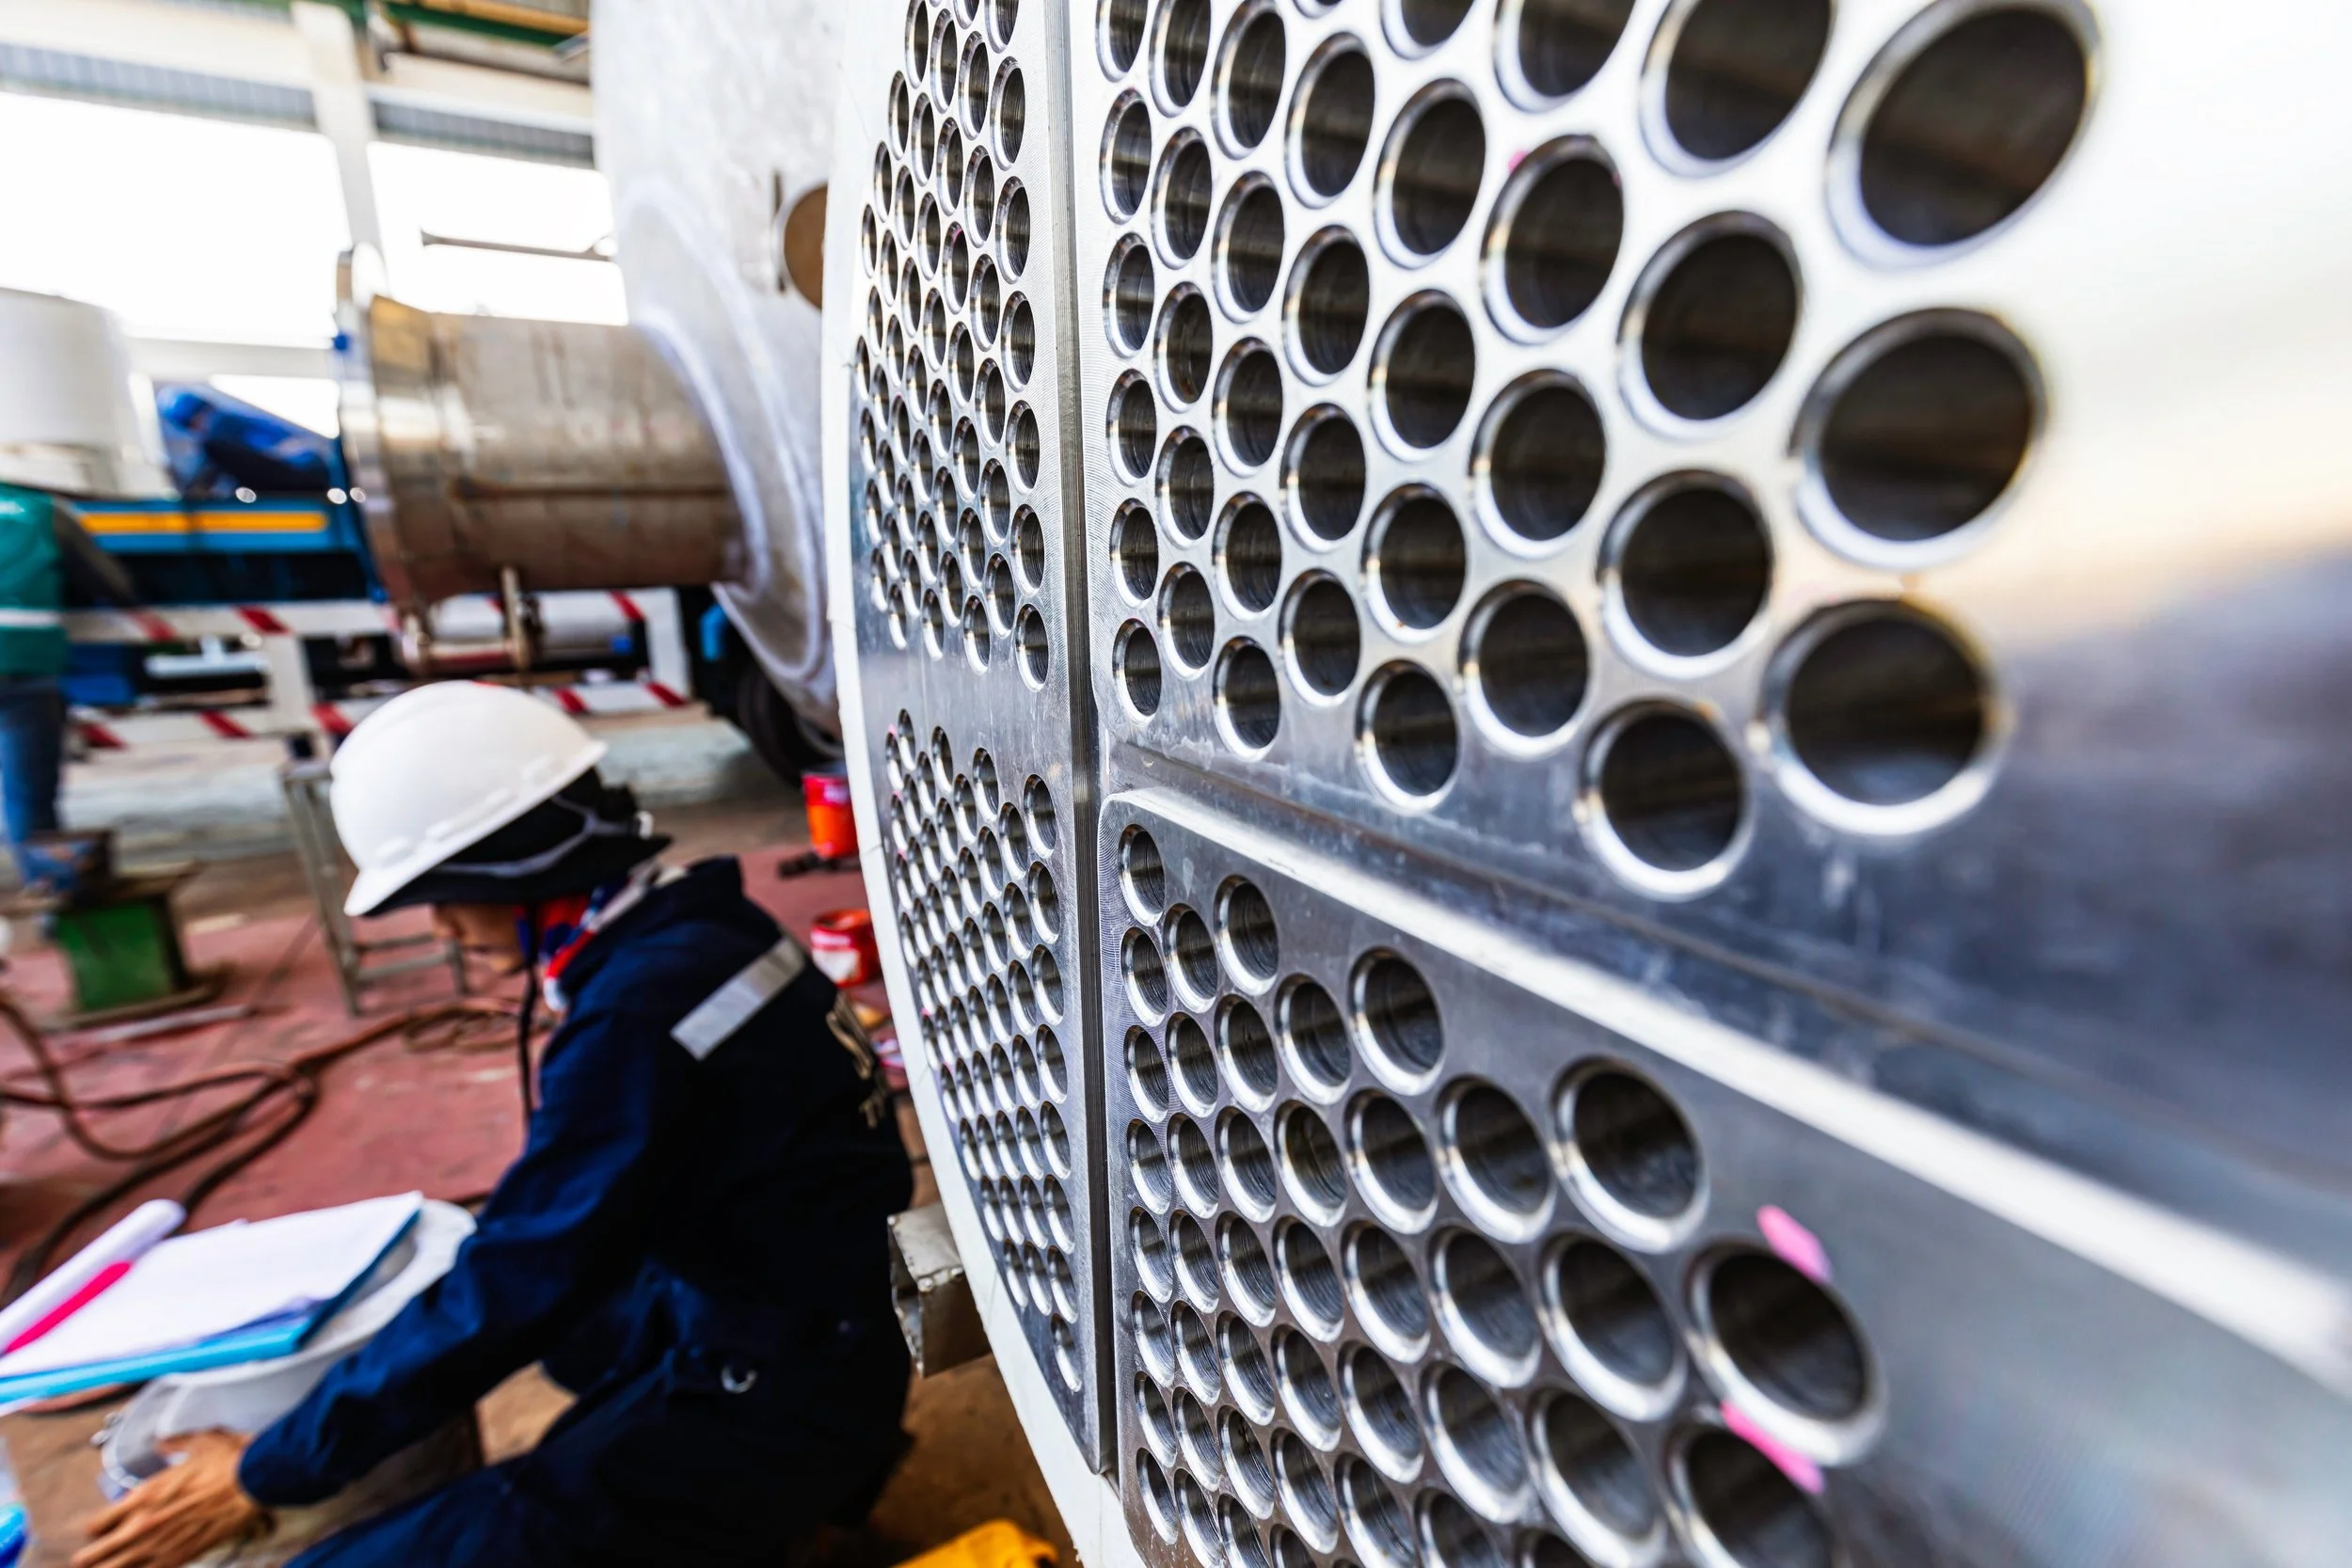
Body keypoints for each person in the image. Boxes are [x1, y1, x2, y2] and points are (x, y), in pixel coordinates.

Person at [73, 681, 915, 1568]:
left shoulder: (633, 1017)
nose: (442, 923)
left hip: (785, 1390)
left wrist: (264, 1472)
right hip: (823, 1327)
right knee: (545, 1330)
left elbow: (519, 1280)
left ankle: (777, 1504)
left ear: (510, 871)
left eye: (444, 892)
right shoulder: (702, 924)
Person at [0, 485, 136, 867]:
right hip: (21, 664)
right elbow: (113, 585)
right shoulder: (40, 510)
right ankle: (47, 891)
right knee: (28, 797)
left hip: (22, 667)